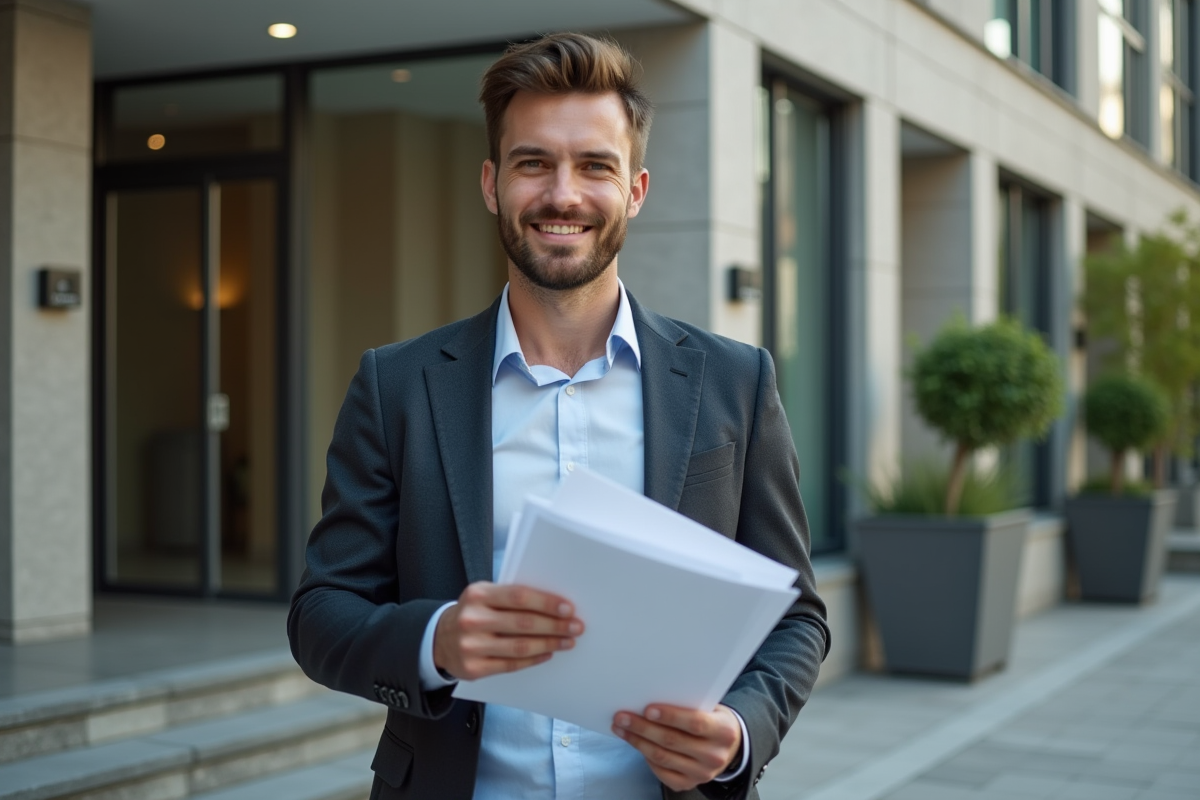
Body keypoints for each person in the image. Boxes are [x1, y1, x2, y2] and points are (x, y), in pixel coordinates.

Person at [288, 32, 830, 800]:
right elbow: (321, 613)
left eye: (595, 166)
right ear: (492, 183)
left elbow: (797, 616)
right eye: (533, 163)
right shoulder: (396, 385)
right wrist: (436, 641)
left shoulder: (736, 383)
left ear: (636, 190)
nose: (563, 195)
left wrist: (741, 732)